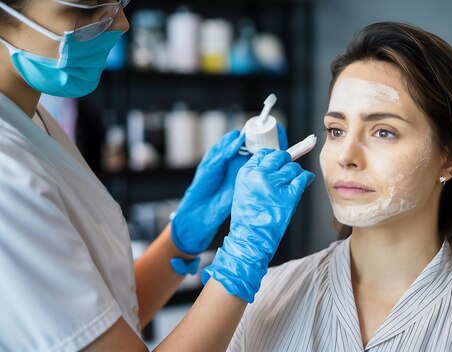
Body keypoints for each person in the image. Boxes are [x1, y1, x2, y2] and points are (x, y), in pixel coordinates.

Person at [225, 22, 452, 351]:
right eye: (336, 130)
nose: (346, 156)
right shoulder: (263, 296)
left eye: (383, 131)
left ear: (451, 159)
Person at [0, 1, 314, 351]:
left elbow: (95, 315)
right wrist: (241, 259)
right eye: (89, 9)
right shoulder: (5, 172)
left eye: (119, 3)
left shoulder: (29, 115)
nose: (121, 24)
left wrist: (178, 240)